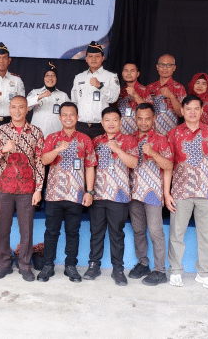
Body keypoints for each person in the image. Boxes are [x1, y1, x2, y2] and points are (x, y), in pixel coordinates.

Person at [165, 95, 208, 289]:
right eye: (188, 108)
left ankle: (204, 273)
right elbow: (168, 166)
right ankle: (175, 271)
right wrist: (167, 193)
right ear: (182, 111)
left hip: (207, 191)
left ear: (202, 111)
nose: (192, 112)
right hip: (180, 191)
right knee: (177, 233)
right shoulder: (173, 134)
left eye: (196, 108)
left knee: (206, 235)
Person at [0, 96, 44, 282]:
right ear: (9, 109)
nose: (17, 111)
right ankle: (3, 265)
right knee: (2, 229)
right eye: (14, 107)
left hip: (27, 189)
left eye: (21, 107)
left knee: (26, 230)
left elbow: (39, 162)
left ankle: (25, 265)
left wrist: (38, 189)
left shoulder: (36, 132)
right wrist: (3, 149)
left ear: (27, 110)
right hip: (4, 187)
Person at [37, 102, 96, 283]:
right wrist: (57, 149)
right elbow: (44, 161)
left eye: (72, 114)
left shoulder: (85, 139)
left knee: (73, 232)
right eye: (65, 115)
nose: (68, 118)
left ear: (77, 117)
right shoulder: (52, 138)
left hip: (76, 195)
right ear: (60, 117)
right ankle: (48, 265)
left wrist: (89, 191)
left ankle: (71, 265)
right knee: (51, 231)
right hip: (54, 194)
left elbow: (90, 166)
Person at [85, 107, 137, 286]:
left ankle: (118, 269)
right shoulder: (96, 141)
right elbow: (89, 166)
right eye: (107, 120)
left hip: (119, 196)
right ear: (102, 122)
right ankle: (94, 265)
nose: (111, 123)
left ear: (120, 122)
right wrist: (89, 191)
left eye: (115, 120)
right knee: (96, 232)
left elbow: (133, 163)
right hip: (98, 195)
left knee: (116, 234)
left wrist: (117, 149)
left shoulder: (129, 140)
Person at [126, 103, 173, 286]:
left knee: (155, 232)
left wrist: (152, 153)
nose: (143, 122)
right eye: (140, 118)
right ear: (135, 119)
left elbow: (169, 165)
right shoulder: (129, 138)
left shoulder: (161, 139)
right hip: (133, 192)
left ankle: (160, 271)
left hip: (153, 193)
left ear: (154, 119)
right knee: (138, 230)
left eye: (147, 118)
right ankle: (143, 263)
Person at [71, 41, 120, 139]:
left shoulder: (111, 76)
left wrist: (100, 86)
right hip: (81, 125)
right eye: (90, 56)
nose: (93, 59)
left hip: (101, 126)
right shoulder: (79, 77)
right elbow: (74, 101)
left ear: (103, 58)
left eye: (97, 56)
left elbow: (114, 98)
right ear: (86, 59)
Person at [145, 54, 185, 136]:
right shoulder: (149, 88)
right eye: (162, 65)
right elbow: (144, 112)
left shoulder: (179, 88)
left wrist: (171, 96)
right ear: (157, 67)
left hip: (172, 133)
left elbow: (181, 113)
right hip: (152, 133)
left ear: (174, 68)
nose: (165, 68)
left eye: (168, 65)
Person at [26, 62, 70, 137]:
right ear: (43, 78)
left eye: (53, 75)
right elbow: (26, 106)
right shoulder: (35, 92)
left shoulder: (63, 95)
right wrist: (40, 96)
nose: (50, 78)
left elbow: (70, 113)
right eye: (47, 75)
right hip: (37, 134)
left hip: (56, 134)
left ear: (56, 78)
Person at [116, 61, 149, 135]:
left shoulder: (145, 90)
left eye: (132, 71)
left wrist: (135, 95)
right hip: (121, 133)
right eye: (126, 70)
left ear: (137, 74)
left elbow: (149, 111)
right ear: (122, 73)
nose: (128, 73)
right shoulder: (119, 92)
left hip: (139, 131)